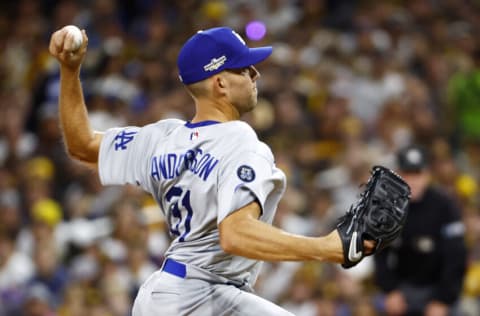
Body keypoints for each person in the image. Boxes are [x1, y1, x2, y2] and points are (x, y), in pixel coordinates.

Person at [48, 26, 375, 316]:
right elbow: (235, 234)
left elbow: (82, 144)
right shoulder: (242, 142)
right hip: (197, 296)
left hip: (171, 294)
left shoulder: (162, 138)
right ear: (220, 83)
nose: (255, 75)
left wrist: (69, 71)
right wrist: (326, 249)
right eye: (245, 69)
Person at [374, 144, 467, 316]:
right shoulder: (387, 208)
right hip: (403, 289)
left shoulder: (445, 206)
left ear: (427, 174)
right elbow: (379, 253)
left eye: (417, 173)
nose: (412, 180)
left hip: (439, 288)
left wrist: (443, 300)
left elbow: (456, 257)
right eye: (407, 174)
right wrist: (390, 290)